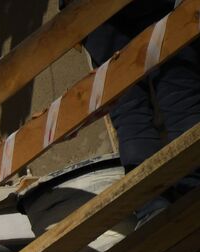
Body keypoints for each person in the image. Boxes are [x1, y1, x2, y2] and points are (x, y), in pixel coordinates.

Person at [66, 0, 200, 221]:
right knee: (179, 90)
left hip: (87, 10)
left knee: (129, 109)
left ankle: (151, 206)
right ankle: (191, 188)